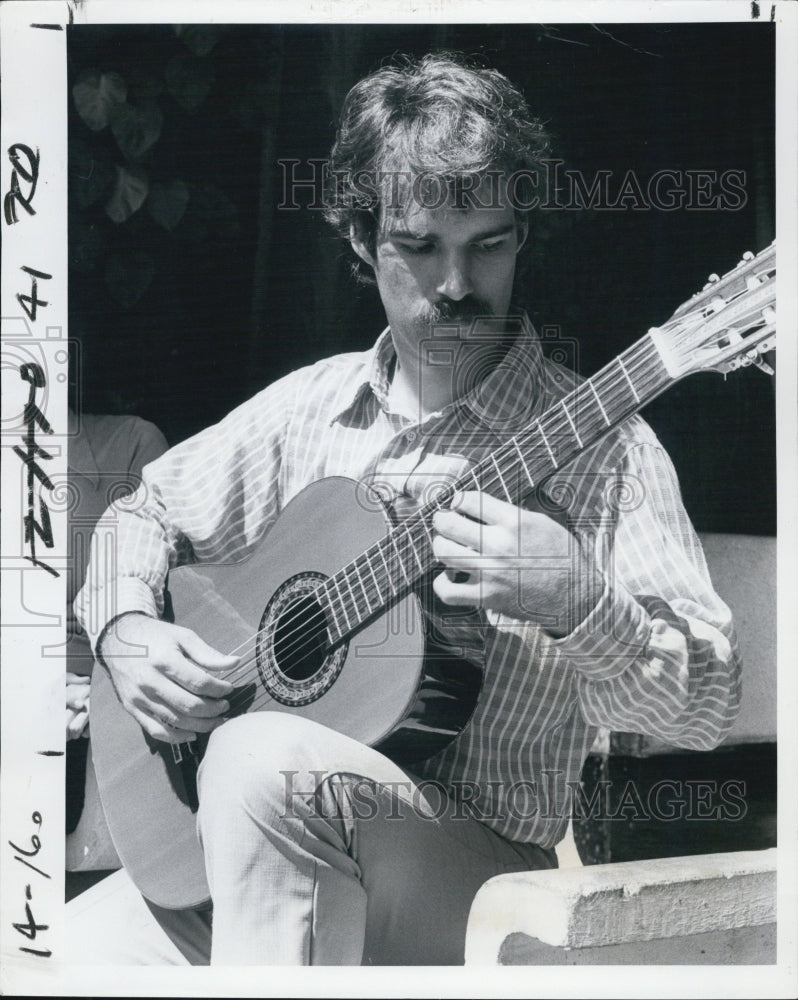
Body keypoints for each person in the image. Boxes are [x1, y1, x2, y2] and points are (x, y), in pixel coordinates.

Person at [74, 52, 740, 965]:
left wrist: (580, 602)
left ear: (524, 236)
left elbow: (704, 705)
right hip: (250, 841)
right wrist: (124, 633)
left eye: (488, 244)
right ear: (359, 237)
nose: (456, 284)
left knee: (266, 763)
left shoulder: (609, 449)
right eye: (418, 246)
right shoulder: (311, 404)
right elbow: (136, 515)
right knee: (53, 952)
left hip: (475, 879)